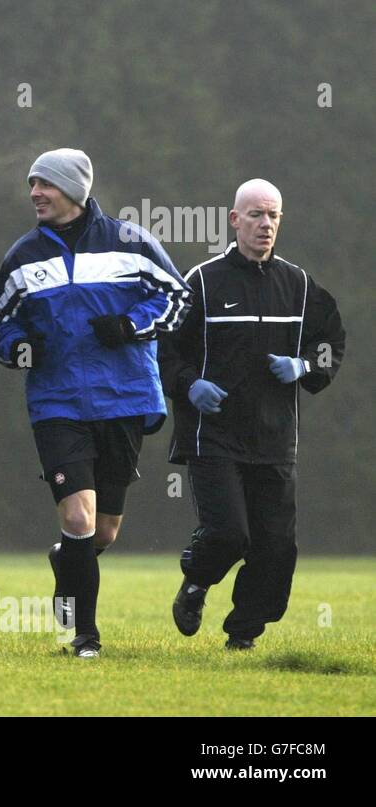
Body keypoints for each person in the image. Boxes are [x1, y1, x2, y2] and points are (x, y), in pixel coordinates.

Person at [0, 148, 189, 658]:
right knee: (79, 519)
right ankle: (84, 637)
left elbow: (177, 300)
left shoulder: (131, 242)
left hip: (123, 399)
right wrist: (16, 347)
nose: (35, 192)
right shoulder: (21, 257)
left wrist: (130, 325)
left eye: (46, 184)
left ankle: (67, 561)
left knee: (103, 530)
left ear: (74, 190)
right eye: (32, 184)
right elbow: (4, 324)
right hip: (56, 404)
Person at [162, 179, 344, 650]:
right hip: (213, 436)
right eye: (257, 215)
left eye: (274, 216)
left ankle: (243, 636)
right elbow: (163, 349)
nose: (266, 225)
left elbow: (330, 345)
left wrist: (303, 365)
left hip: (275, 439)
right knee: (229, 535)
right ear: (234, 220)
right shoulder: (200, 281)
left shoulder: (300, 285)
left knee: (276, 548)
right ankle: (196, 584)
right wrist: (188, 385)